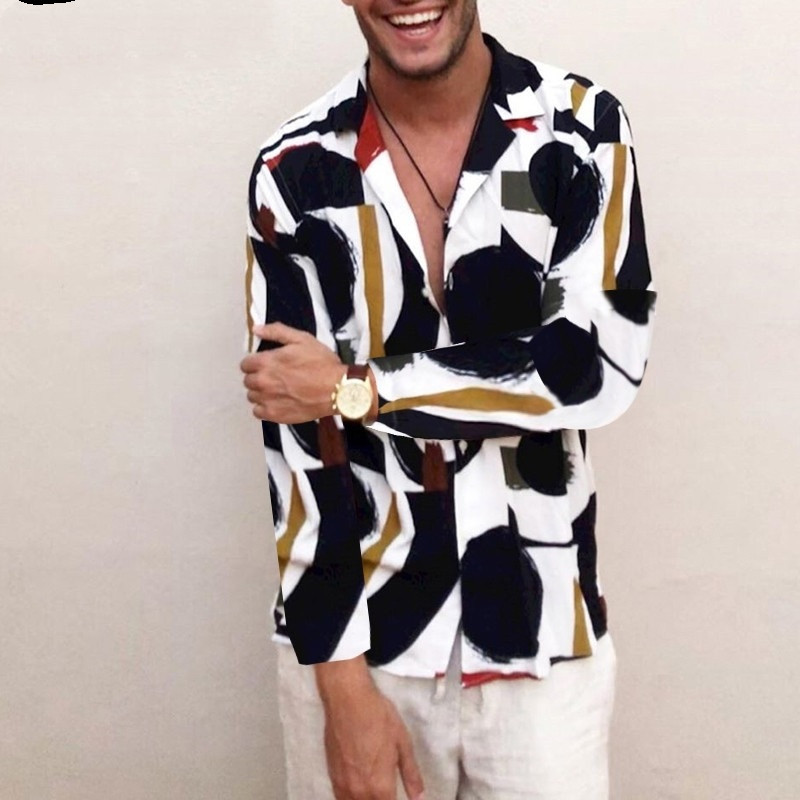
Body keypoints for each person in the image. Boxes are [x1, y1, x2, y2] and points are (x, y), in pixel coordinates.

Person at [240, 1, 657, 798]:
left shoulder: (581, 129)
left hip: (544, 632)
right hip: (363, 643)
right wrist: (340, 683)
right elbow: (296, 440)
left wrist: (358, 389)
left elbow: (593, 364)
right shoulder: (294, 167)